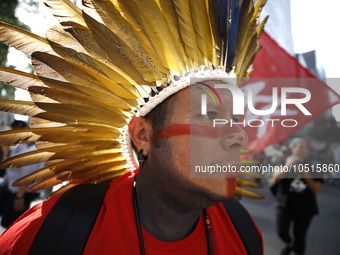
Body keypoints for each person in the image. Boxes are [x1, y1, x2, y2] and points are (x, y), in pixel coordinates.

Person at [0, 0, 268, 254]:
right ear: (143, 135)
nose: (239, 136)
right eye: (209, 114)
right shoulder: (47, 234)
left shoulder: (243, 233)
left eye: (235, 119)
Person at [272, 138, 322, 255]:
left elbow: (316, 189)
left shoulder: (314, 164)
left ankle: (296, 249)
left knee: (300, 237)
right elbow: (276, 178)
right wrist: (287, 166)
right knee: (281, 232)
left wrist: (305, 172)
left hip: (305, 207)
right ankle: (289, 244)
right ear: (292, 148)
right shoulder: (283, 160)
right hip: (285, 204)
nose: (303, 150)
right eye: (300, 147)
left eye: (305, 147)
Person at [1, 121, 45, 228]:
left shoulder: (34, 149)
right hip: (15, 189)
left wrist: (19, 196)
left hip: (23, 192)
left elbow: (27, 176)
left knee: (11, 223)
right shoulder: (21, 145)